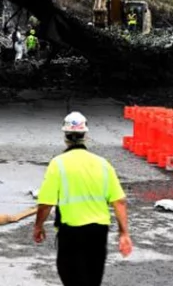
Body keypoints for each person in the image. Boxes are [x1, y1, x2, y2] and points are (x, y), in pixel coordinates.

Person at [33, 112, 132, 286]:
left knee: (71, 279)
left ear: (65, 137)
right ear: (86, 136)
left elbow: (46, 203)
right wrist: (124, 233)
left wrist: (38, 227)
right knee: (92, 280)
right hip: (98, 232)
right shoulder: (103, 164)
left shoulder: (59, 164)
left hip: (71, 232)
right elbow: (119, 201)